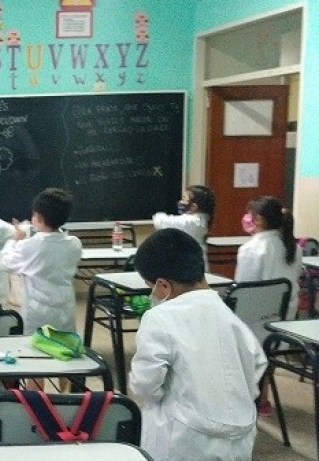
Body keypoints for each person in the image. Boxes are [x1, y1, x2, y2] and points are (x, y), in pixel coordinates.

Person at [129, 228, 267, 461]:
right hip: (240, 438)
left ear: (163, 285)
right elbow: (256, 368)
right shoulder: (229, 316)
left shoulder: (159, 317)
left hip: (183, 440)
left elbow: (145, 384)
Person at [235, 195, 301, 417]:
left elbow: (243, 292)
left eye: (251, 217)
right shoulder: (292, 247)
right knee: (265, 354)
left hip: (256, 323)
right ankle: (263, 398)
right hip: (284, 324)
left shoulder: (252, 249)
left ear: (260, 220)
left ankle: (243, 398)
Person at [0, 188, 82, 335]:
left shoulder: (29, 246)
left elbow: (5, 262)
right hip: (65, 309)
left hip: (38, 312)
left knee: (37, 346)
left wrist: (15, 239)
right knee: (63, 344)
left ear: (37, 217)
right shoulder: (74, 243)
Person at [152, 185, 215, 269]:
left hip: (189, 267)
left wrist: (159, 214)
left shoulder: (192, 222)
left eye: (184, 199)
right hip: (195, 265)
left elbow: (159, 221)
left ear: (194, 207)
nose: (181, 202)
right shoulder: (202, 219)